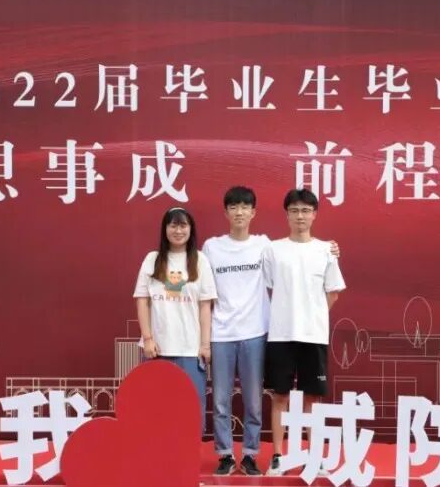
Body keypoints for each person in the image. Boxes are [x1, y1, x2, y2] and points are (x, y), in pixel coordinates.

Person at [202, 186, 339, 477]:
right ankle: (228, 455)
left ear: (254, 212)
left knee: (259, 401)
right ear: (226, 212)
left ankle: (253, 455)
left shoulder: (266, 246)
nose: (240, 212)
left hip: (260, 332)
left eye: (245, 207)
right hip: (227, 333)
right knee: (224, 400)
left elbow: (329, 286)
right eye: (234, 207)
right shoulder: (217, 247)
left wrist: (313, 313)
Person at [262, 188, 346, 477]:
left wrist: (314, 315)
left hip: (313, 336)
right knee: (279, 397)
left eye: (306, 210)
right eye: (295, 210)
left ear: (314, 215)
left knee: (313, 399)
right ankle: (277, 456)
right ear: (286, 214)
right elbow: (267, 287)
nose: (300, 216)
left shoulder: (326, 250)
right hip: (281, 335)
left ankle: (315, 458)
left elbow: (333, 292)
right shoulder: (273, 250)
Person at [134, 207, 217, 435]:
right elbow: (142, 300)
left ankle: (190, 454)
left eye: (183, 225)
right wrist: (148, 338)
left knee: (191, 409)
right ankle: (158, 453)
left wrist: (205, 345)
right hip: (158, 350)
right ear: (165, 229)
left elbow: (205, 306)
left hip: (190, 350)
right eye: (173, 225)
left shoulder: (200, 260)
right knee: (158, 409)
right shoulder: (152, 259)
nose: (178, 231)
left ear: (191, 229)